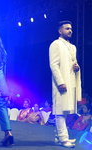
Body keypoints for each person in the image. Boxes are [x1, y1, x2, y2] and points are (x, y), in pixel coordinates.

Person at [49, 20, 82, 148]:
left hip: (71, 81)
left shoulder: (72, 47)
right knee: (60, 111)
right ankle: (64, 139)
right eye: (67, 28)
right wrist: (60, 82)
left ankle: (58, 136)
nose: (70, 30)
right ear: (60, 31)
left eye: (71, 28)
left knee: (67, 110)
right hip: (62, 83)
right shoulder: (55, 44)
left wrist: (76, 67)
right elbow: (54, 65)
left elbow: (73, 63)